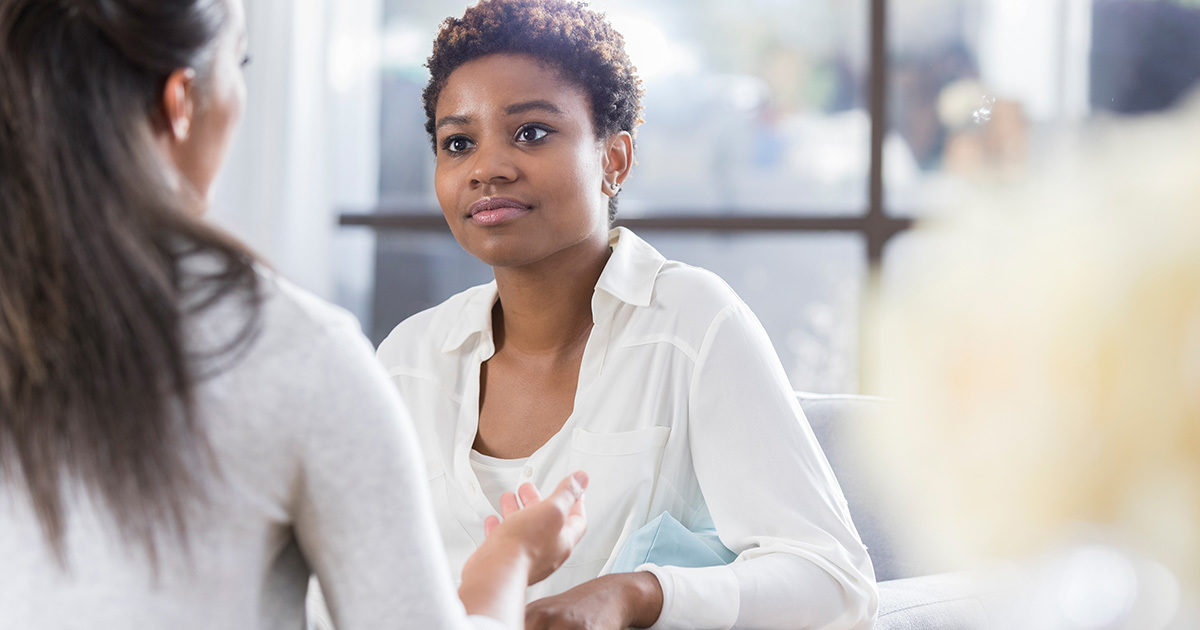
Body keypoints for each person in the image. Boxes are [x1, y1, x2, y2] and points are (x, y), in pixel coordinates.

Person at [0, 1, 587, 628]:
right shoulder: (293, 353)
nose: (488, 170)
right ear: (181, 100)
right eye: (240, 64)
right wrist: (507, 560)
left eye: (530, 132)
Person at [375, 0, 878, 628]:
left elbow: (835, 581)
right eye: (459, 143)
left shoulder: (692, 323)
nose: (487, 168)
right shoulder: (407, 361)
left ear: (613, 160)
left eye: (530, 132)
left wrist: (638, 594)